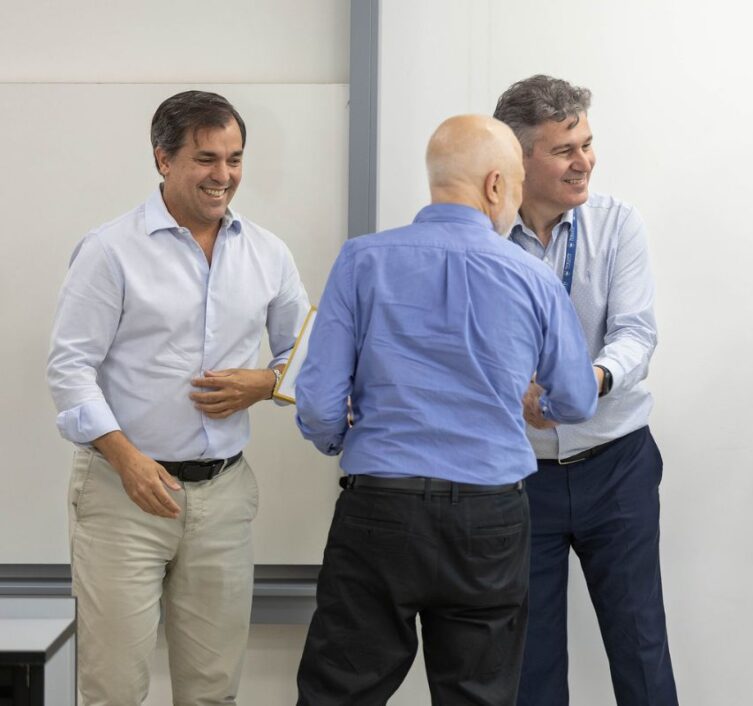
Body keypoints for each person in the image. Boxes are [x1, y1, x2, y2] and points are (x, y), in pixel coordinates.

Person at [293, 114, 597, 706]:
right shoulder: (532, 277)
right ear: (494, 185)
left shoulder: (361, 260)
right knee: (478, 696)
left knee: (338, 694)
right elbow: (578, 398)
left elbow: (321, 401)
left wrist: (341, 441)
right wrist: (539, 405)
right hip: (489, 520)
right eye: (515, 187)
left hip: (379, 507)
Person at [46, 90, 310, 705]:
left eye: (235, 159)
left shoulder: (268, 252)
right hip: (123, 494)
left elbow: (306, 358)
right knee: (113, 691)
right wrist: (126, 459)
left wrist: (263, 384)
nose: (224, 175)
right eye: (206, 159)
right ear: (163, 159)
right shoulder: (110, 250)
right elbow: (70, 369)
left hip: (223, 496)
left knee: (212, 694)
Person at [494, 75, 678, 706]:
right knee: (530, 665)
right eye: (564, 150)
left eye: (587, 144)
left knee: (641, 650)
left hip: (616, 464)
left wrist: (584, 384)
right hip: (520, 477)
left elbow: (635, 333)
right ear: (519, 159)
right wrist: (512, 389)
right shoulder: (481, 236)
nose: (584, 162)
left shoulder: (618, 224)